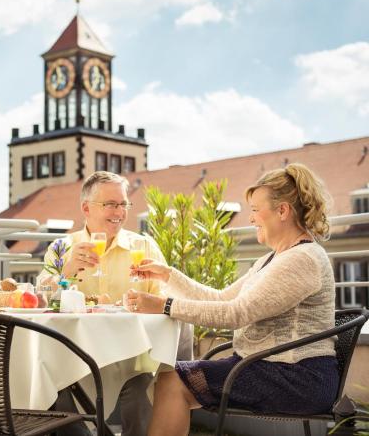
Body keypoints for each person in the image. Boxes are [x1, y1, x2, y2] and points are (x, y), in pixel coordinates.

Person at [126, 163, 338, 436]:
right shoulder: (273, 259)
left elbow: (235, 313)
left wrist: (165, 306)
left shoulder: (302, 259)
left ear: (282, 211)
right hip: (268, 366)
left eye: (254, 210)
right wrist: (167, 276)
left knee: (172, 380)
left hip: (297, 376)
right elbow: (221, 298)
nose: (250, 219)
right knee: (171, 378)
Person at [36, 170, 193, 436]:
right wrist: (66, 271)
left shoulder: (143, 245)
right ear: (86, 207)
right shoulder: (62, 247)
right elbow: (40, 299)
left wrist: (147, 300)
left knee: (141, 387)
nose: (118, 211)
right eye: (110, 204)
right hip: (78, 353)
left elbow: (166, 299)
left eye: (123, 204)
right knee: (54, 384)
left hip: (134, 353)